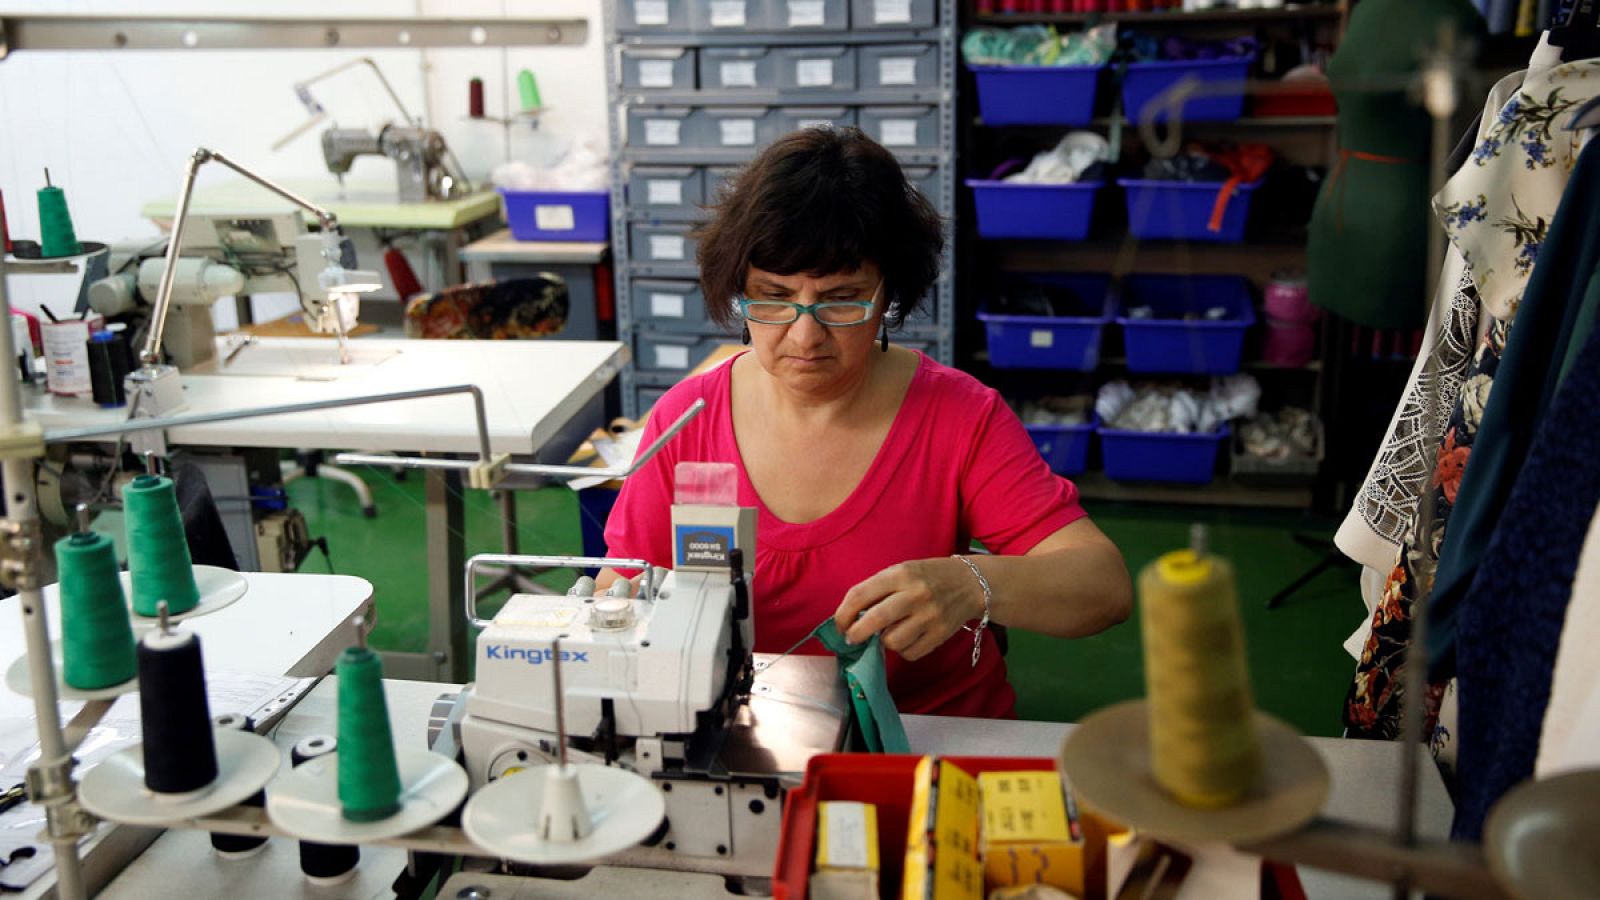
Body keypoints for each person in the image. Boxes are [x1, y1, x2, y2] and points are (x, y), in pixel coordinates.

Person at [601, 127, 1131, 718]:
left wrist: (972, 585)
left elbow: (1103, 588)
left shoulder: (959, 417)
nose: (805, 335)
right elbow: (620, 592)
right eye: (773, 297)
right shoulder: (687, 422)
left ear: (887, 296)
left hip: (928, 737)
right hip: (747, 732)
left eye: (841, 299)